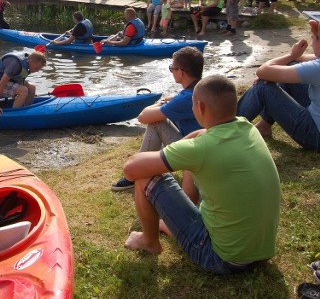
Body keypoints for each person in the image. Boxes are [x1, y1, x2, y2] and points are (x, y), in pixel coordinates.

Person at [122, 75, 280, 275]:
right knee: (192, 160)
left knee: (145, 176)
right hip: (261, 250)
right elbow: (201, 135)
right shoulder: (247, 127)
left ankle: (149, 241)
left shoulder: (201, 149)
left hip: (222, 258)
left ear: (200, 107)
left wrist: (181, 150)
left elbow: (131, 168)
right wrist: (188, 144)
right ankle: (184, 215)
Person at [111, 46, 204, 191]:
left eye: (172, 68)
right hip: (202, 146)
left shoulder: (186, 98)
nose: (172, 71)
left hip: (194, 153)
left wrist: (158, 103)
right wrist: (171, 102)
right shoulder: (201, 88)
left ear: (181, 72)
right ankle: (146, 167)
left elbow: (143, 117)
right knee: (161, 118)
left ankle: (137, 172)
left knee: (156, 122)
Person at [237, 19, 320, 151]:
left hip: (315, 136)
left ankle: (223, 129)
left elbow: (262, 71)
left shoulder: (317, 68)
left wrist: (291, 55)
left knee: (262, 88)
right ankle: (264, 126)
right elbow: (298, 60)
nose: (312, 43)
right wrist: (292, 58)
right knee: (288, 69)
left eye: (314, 38)